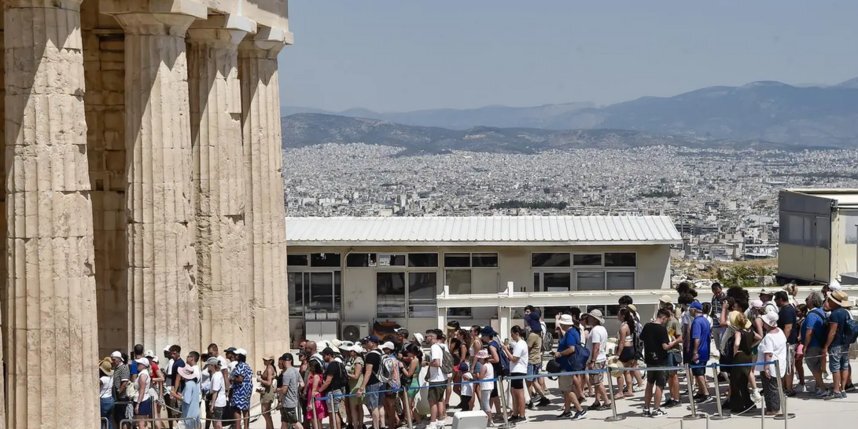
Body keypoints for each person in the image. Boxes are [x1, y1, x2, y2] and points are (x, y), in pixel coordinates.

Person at [641, 308, 676, 418]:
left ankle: (646, 408)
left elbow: (642, 338)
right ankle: (656, 409)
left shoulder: (647, 326)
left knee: (649, 384)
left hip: (649, 360)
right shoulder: (662, 329)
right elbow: (665, 346)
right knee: (660, 385)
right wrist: (674, 342)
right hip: (661, 360)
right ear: (664, 318)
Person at [553, 314, 586, 420]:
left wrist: (559, 354)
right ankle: (567, 411)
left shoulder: (570, 333)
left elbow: (572, 349)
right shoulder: (574, 331)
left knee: (567, 389)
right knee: (566, 388)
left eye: (561, 323)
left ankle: (580, 410)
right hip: (568, 365)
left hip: (567, 365)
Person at [823, 290, 852, 400]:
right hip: (845, 344)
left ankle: (836, 390)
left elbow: (832, 332)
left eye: (830, 300)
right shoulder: (845, 312)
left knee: (835, 367)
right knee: (844, 366)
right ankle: (843, 389)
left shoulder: (835, 314)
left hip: (836, 344)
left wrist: (826, 346)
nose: (829, 301)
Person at [757, 312, 787, 416]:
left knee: (770, 388)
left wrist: (766, 368)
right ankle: (772, 407)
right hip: (779, 365)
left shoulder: (769, 336)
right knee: (774, 387)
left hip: (771, 366)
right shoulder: (780, 331)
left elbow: (768, 353)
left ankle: (773, 409)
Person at [727, 311, 756, 414]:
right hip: (748, 356)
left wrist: (735, 352)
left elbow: (737, 343)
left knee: (736, 381)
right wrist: (750, 346)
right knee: (744, 382)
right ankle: (747, 402)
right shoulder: (750, 331)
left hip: (739, 357)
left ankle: (738, 405)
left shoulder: (739, 332)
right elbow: (759, 338)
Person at [582, 309, 610, 410]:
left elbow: (596, 346)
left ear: (594, 319)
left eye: (589, 317)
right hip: (601, 358)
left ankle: (606, 402)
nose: (588, 319)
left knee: (598, 382)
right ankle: (597, 401)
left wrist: (592, 360)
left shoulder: (596, 330)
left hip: (596, 360)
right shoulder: (602, 329)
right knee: (597, 382)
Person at [523, 306, 550, 409]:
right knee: (534, 380)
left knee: (528, 381)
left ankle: (530, 402)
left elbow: (527, 350)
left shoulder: (532, 335)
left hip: (531, 360)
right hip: (537, 359)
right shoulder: (538, 333)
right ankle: (543, 398)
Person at [802, 291, 828, 397]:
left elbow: (809, 331)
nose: (805, 301)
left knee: (814, 367)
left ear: (812, 301)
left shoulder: (812, 315)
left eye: (807, 299)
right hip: (819, 343)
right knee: (817, 367)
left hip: (813, 345)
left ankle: (822, 388)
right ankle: (819, 386)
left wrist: (805, 346)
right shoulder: (821, 311)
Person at [357, 336, 384, 429]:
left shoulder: (371, 355)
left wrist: (361, 388)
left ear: (373, 343)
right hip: (381, 381)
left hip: (373, 383)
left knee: (374, 407)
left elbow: (368, 372)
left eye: (367, 341)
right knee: (380, 405)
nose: (365, 343)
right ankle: (382, 425)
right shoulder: (381, 353)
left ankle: (376, 426)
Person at [774, 291, 798, 396]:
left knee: (788, 366)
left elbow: (788, 327)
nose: (775, 302)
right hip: (787, 342)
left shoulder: (787, 310)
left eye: (776, 299)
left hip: (788, 343)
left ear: (780, 299)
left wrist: (782, 341)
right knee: (785, 365)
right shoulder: (785, 309)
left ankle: (789, 388)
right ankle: (785, 387)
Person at [503, 325, 529, 422]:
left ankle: (522, 415)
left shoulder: (520, 344)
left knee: (519, 393)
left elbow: (514, 359)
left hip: (519, 370)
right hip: (515, 370)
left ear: (516, 333)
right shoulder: (519, 343)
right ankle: (515, 413)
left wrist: (505, 349)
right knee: (513, 392)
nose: (511, 336)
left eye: (512, 334)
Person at [318, 347, 347, 429]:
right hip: (337, 391)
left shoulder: (332, 365)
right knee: (335, 412)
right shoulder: (338, 364)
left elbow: (328, 381)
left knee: (333, 414)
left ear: (329, 355)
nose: (323, 357)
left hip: (333, 392)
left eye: (324, 355)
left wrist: (319, 391)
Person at [689, 301, 712, 402]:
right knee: (700, 372)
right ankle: (700, 392)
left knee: (699, 373)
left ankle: (706, 394)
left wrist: (694, 352)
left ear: (694, 310)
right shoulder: (705, 320)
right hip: (705, 350)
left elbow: (696, 338)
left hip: (699, 351)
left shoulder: (696, 322)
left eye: (690, 309)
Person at [426, 329, 449, 429]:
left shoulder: (434, 347)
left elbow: (437, 363)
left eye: (427, 336)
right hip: (443, 377)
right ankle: (441, 421)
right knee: (440, 400)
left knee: (432, 401)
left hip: (436, 378)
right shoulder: (444, 346)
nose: (426, 338)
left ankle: (433, 423)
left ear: (432, 337)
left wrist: (427, 363)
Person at [661, 302, 683, 408]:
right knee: (669, 376)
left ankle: (677, 398)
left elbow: (680, 338)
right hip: (666, 351)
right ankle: (671, 397)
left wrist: (671, 344)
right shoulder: (665, 322)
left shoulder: (674, 322)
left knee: (673, 375)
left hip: (673, 351)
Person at [173, 352, 202, 428]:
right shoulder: (192, 383)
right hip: (192, 413)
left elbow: (186, 400)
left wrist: (175, 395)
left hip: (189, 415)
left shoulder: (189, 384)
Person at [615, 307, 639, 399]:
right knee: (627, 371)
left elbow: (621, 342)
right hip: (631, 348)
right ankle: (630, 390)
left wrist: (618, 354)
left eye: (618, 314)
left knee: (619, 372)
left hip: (625, 349)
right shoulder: (630, 325)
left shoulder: (623, 327)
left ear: (623, 316)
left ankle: (620, 391)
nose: (617, 316)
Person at [277, 353, 304, 429]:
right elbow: (302, 384)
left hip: (288, 402)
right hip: (291, 401)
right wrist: (295, 390)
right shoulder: (295, 371)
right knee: (284, 422)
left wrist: (277, 390)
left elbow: (284, 390)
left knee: (295, 423)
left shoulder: (286, 373)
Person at [230, 348, 254, 429]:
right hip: (246, 392)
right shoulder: (247, 366)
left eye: (237, 355)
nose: (235, 356)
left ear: (240, 356)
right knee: (246, 410)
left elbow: (240, 379)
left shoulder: (240, 365)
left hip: (239, 392)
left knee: (237, 410)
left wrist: (232, 378)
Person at [342, 344, 364, 429]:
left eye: (351, 351)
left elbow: (356, 376)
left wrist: (346, 373)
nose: (350, 352)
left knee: (355, 407)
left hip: (356, 386)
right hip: (353, 385)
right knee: (356, 407)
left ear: (355, 352)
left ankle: (358, 426)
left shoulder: (358, 361)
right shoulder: (353, 360)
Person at [306, 358, 328, 429]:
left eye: (310, 366)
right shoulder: (316, 375)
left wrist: (310, 403)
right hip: (315, 397)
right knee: (316, 419)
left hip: (315, 398)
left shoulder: (316, 376)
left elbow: (314, 390)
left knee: (316, 419)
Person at [475, 349, 495, 427]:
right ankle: (486, 420)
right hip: (489, 386)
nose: (479, 359)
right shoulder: (490, 365)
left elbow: (480, 377)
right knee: (484, 404)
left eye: (480, 358)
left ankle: (490, 421)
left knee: (486, 404)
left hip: (486, 386)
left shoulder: (484, 366)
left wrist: (475, 376)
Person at [206, 357, 227, 429]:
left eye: (208, 365)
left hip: (217, 403)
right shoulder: (217, 374)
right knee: (217, 423)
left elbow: (215, 392)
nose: (207, 367)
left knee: (217, 424)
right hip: (219, 402)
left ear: (212, 365)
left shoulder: (216, 376)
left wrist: (212, 405)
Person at [258, 355, 278, 429]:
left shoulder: (269, 368)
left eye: (266, 360)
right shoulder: (270, 368)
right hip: (266, 391)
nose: (264, 361)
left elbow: (269, 383)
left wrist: (260, 380)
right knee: (266, 413)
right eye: (264, 359)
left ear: (271, 361)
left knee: (265, 413)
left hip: (268, 392)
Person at [134, 358, 154, 424]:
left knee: (141, 424)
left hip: (142, 401)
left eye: (139, 364)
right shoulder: (144, 373)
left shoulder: (143, 375)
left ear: (143, 365)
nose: (137, 365)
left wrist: (138, 404)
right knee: (142, 424)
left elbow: (142, 390)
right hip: (143, 399)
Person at [99, 357, 116, 429]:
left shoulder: (103, 379)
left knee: (102, 420)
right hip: (110, 399)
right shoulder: (111, 377)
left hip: (104, 400)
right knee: (109, 420)